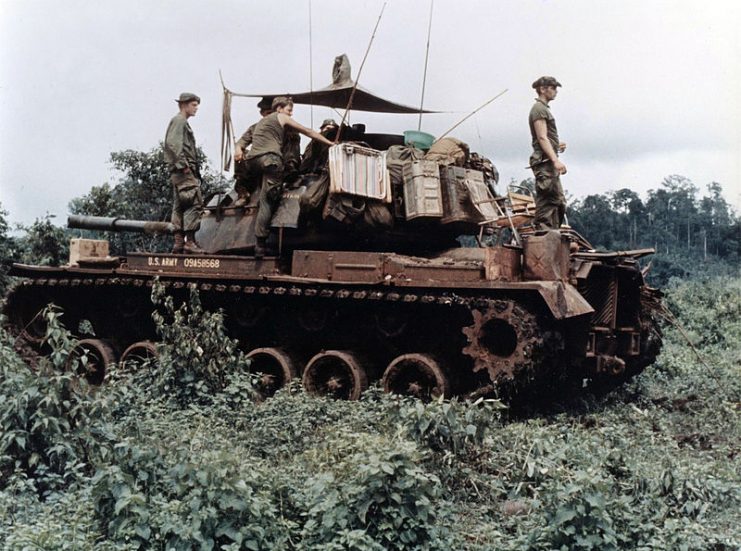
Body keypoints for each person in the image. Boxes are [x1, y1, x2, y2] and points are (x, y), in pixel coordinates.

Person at [245, 96, 335, 258]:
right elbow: (308, 131)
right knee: (269, 200)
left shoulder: (260, 125)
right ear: (279, 109)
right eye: (289, 110)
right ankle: (260, 245)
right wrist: (331, 144)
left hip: (253, 161)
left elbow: (240, 145)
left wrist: (239, 150)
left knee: (264, 195)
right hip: (272, 161)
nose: (291, 114)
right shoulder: (281, 118)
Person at [164, 92, 205, 254]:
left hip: (180, 171)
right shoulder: (179, 121)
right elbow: (172, 144)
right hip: (183, 170)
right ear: (184, 105)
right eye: (194, 105)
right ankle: (190, 242)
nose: (196, 109)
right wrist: (184, 166)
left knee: (180, 205)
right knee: (194, 202)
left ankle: (179, 243)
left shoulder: (180, 121)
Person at [528, 76, 568, 229]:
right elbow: (542, 137)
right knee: (549, 202)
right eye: (553, 87)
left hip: (547, 162)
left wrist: (557, 145)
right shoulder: (539, 109)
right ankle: (543, 238)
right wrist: (556, 160)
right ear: (543, 89)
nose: (556, 91)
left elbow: (545, 138)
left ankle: (552, 237)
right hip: (545, 163)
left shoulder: (543, 109)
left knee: (558, 203)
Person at [233, 97, 273, 206]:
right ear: (262, 113)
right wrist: (238, 149)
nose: (270, 116)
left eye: (272, 113)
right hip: (258, 163)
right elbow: (242, 142)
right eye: (267, 113)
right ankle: (244, 193)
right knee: (242, 153)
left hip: (276, 163)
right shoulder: (255, 128)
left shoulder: (285, 127)